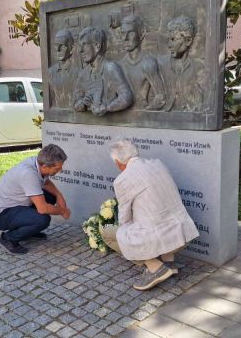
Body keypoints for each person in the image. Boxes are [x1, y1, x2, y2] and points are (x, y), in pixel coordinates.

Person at [100, 139, 199, 290]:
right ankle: (169, 262)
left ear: (118, 162)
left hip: (158, 235)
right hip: (182, 231)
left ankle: (155, 267)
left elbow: (124, 217)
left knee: (111, 232)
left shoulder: (122, 180)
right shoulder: (158, 163)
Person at [0, 144, 71, 254]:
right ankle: (8, 238)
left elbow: (46, 183)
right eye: (57, 168)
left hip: (16, 206)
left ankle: (29, 230)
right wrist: (63, 211)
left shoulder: (37, 163)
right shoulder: (28, 174)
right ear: (45, 166)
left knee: (51, 196)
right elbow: (43, 209)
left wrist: (59, 196)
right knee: (42, 219)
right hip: (0, 214)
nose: (61, 169)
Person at [73, 26, 133, 116]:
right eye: (80, 45)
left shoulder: (111, 68)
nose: (80, 50)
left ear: (97, 46)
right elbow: (75, 102)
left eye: (84, 44)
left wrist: (107, 107)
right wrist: (82, 104)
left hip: (115, 126)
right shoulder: (83, 74)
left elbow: (126, 97)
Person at [158, 15, 208, 112]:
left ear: (188, 40)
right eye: (168, 40)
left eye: (173, 40)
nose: (169, 45)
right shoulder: (161, 64)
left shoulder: (199, 68)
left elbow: (203, 101)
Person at [117, 15, 167, 110]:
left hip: (142, 114)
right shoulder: (119, 65)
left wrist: (147, 110)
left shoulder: (148, 63)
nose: (125, 38)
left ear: (141, 34)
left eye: (130, 33)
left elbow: (160, 96)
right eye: (123, 33)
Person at [48, 29, 79, 108]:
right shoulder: (50, 72)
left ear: (71, 49)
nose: (58, 49)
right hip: (56, 115)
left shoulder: (78, 73)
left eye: (62, 46)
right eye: (56, 45)